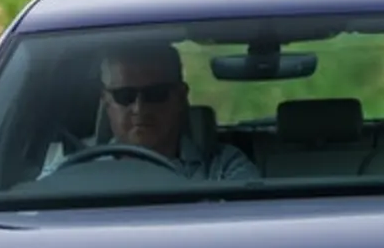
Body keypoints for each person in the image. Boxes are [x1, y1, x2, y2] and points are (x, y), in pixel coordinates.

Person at [91, 41, 260, 180]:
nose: (139, 108)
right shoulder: (81, 172)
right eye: (125, 95)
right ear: (106, 101)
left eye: (156, 94)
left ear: (180, 97)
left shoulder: (222, 168)